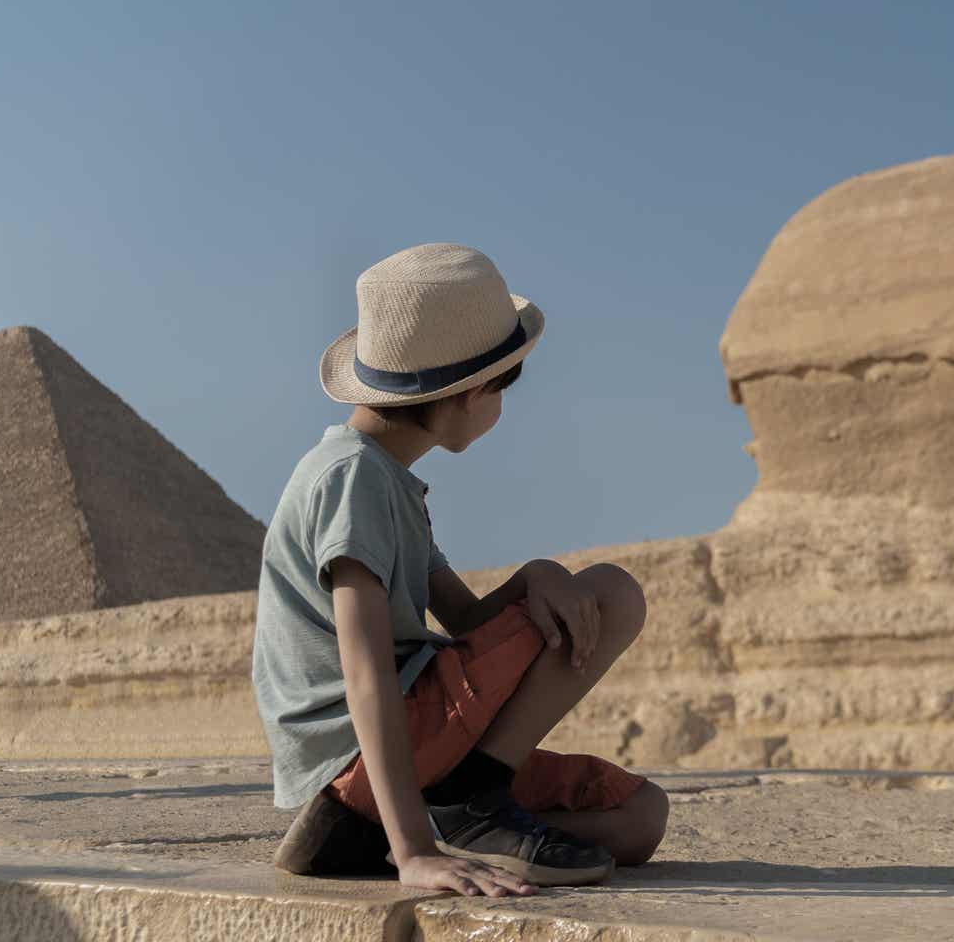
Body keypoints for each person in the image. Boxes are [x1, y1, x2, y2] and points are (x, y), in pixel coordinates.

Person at [252, 243, 668, 898]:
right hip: (366, 755)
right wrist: (413, 850)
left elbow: (470, 621)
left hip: (422, 750)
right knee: (613, 593)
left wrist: (536, 575)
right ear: (475, 392)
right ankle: (450, 811)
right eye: (507, 385)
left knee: (640, 819)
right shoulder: (351, 479)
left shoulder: (387, 481)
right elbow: (365, 671)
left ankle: (440, 815)